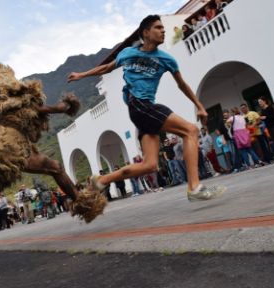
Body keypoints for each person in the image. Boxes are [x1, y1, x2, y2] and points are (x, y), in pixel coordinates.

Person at [68, 15, 226, 202]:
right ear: (146, 32)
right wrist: (81, 75)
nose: (163, 31)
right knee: (190, 130)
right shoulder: (128, 53)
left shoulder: (167, 59)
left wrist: (199, 105)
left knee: (150, 164)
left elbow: (182, 84)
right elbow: (107, 68)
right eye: (158, 28)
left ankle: (102, 180)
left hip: (143, 110)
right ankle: (194, 187)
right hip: (139, 105)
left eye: (163, 28)